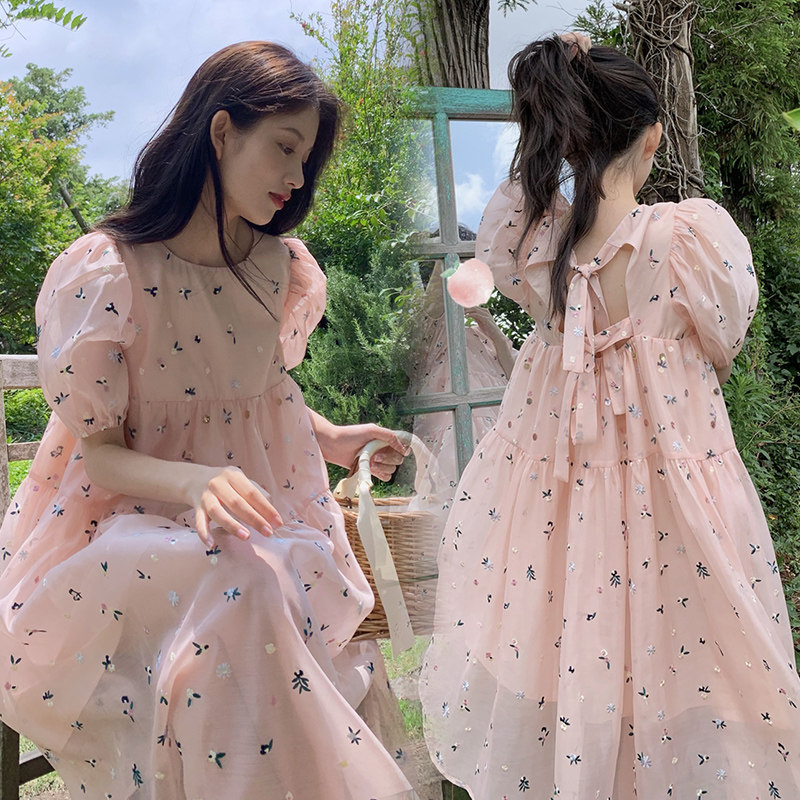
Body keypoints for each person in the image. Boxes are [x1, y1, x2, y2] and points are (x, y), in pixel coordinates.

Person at [0, 41, 417, 800]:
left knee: (258, 580)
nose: (297, 177)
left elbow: (256, 394)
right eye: (284, 147)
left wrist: (333, 439)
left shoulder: (279, 267)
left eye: (306, 158)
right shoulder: (109, 269)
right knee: (250, 581)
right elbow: (101, 456)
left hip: (246, 526)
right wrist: (196, 482)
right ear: (222, 132)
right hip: (119, 531)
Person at [419, 35, 800, 799]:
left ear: (567, 140)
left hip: (562, 509)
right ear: (652, 137)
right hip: (675, 504)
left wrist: (559, 98)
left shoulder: (540, 246)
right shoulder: (687, 241)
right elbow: (725, 336)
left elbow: (502, 229)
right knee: (690, 657)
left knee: (574, 649)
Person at [408, 260, 516, 510]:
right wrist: (450, 257)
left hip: (502, 440)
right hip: (456, 439)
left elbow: (520, 378)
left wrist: (496, 335)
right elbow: (434, 302)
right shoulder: (437, 336)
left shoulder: (484, 336)